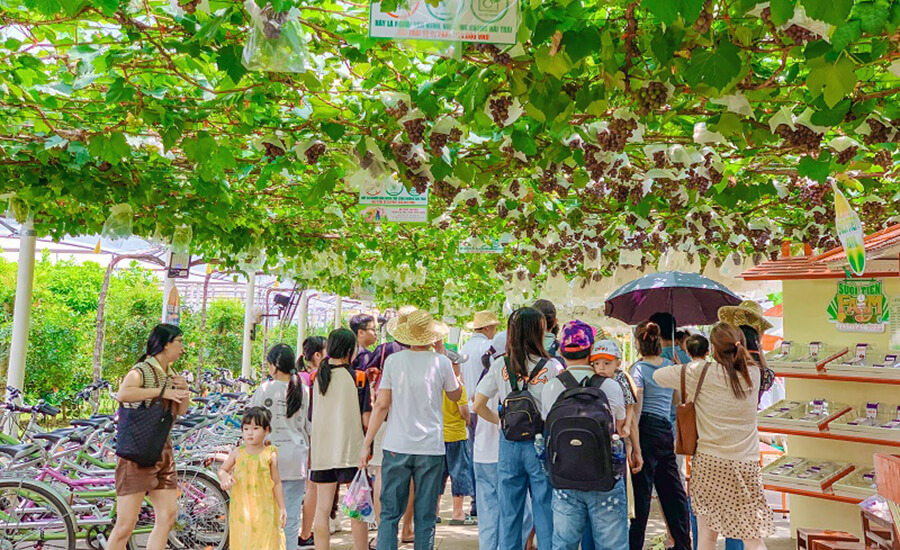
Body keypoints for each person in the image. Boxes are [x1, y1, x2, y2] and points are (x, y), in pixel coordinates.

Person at [653, 323, 774, 550]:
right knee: (753, 538)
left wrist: (684, 368)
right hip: (745, 464)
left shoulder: (700, 371)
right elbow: (764, 370)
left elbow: (659, 376)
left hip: (710, 463)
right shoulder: (755, 375)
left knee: (707, 539)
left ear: (714, 350)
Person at [359, 308, 462, 550]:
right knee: (425, 516)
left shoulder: (394, 361)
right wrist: (445, 358)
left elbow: (382, 404)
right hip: (431, 447)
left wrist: (367, 443)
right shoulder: (442, 362)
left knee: (389, 514)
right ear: (431, 336)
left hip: (397, 445)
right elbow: (455, 395)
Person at [473, 307, 563, 550]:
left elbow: (478, 404)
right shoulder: (552, 367)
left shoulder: (500, 365)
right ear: (539, 332)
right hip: (540, 443)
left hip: (509, 443)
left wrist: (500, 422)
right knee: (545, 509)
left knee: (509, 511)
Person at [540, 323, 627, 550]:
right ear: (591, 351)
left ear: (561, 352)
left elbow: (547, 424)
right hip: (605, 477)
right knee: (612, 545)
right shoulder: (610, 386)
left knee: (564, 544)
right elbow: (619, 425)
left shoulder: (551, 387)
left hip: (565, 476)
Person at [107, 324, 191, 550]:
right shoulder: (142, 370)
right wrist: (161, 392)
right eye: (179, 342)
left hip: (162, 450)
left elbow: (181, 411)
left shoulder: (171, 374)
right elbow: (123, 394)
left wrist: (184, 390)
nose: (182, 348)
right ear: (165, 344)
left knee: (168, 517)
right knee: (126, 525)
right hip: (138, 452)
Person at [629, 321, 691, 550]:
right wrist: (677, 372)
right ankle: (682, 542)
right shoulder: (669, 366)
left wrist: (634, 446)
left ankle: (635, 544)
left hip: (646, 430)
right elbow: (677, 401)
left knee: (641, 496)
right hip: (666, 431)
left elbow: (636, 410)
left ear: (638, 343)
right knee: (672, 492)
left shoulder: (637, 369)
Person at [310, 328, 371, 550]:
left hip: (322, 453)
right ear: (349, 350)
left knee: (323, 509)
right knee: (357, 507)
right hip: (350, 453)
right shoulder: (359, 378)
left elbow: (312, 416)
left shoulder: (317, 378)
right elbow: (366, 420)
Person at [252, 344, 311, 550]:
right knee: (291, 518)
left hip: (269, 460)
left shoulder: (264, 389)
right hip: (296, 460)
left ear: (273, 366)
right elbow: (308, 427)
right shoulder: (304, 390)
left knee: (266, 516)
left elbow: (252, 426)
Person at [218, 407, 288, 550]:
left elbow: (277, 483)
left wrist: (282, 507)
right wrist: (225, 476)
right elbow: (222, 470)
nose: (250, 432)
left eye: (255, 428)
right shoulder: (237, 453)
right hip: (242, 508)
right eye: (246, 428)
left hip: (265, 508)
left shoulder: (270, 454)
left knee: (265, 541)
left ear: (267, 430)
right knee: (244, 541)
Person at [459, 310, 500, 518]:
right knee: (489, 454)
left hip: (469, 405)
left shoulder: (465, 347)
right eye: (493, 326)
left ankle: (475, 501)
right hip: (486, 405)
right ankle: (482, 501)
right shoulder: (488, 348)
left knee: (475, 453)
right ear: (485, 328)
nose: (495, 330)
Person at [297, 336, 327, 550]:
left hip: (296, 437)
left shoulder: (297, 378)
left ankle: (301, 532)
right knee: (312, 486)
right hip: (312, 436)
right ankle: (306, 532)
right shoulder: (315, 379)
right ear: (318, 355)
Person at [441, 357, 475, 525]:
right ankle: (458, 512)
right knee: (459, 473)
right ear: (452, 366)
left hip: (438, 437)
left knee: (438, 475)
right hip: (456, 434)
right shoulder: (458, 387)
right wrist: (468, 420)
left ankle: (434, 512)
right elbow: (463, 410)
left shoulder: (435, 385)